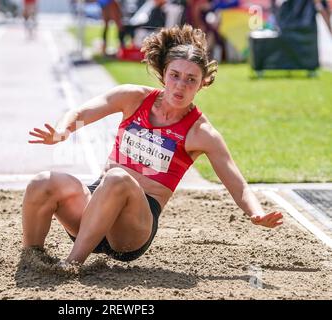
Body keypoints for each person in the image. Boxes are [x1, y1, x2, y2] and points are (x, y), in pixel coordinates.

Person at [24, 24, 283, 266]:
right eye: (175, 75)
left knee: (117, 178)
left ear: (202, 83)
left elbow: (237, 184)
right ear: (163, 75)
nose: (181, 85)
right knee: (42, 182)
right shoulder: (133, 98)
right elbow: (83, 112)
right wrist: (62, 131)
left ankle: (72, 264)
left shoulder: (201, 133)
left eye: (191, 79)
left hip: (131, 230)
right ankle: (31, 258)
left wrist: (255, 213)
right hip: (94, 207)